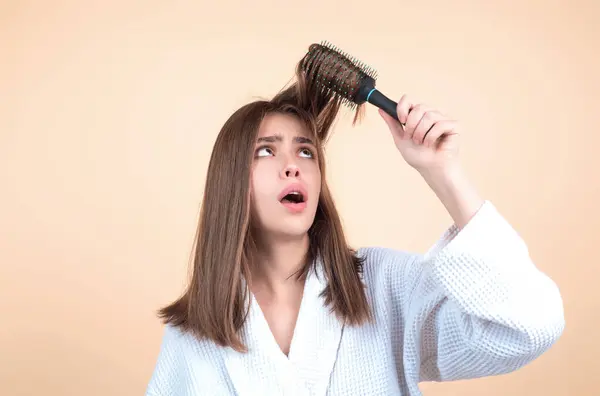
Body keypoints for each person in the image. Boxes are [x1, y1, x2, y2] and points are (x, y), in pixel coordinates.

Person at [144, 59, 565, 396]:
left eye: (306, 151)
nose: (293, 165)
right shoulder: (193, 333)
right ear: (230, 181)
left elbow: (529, 326)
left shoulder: (383, 287)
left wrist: (444, 174)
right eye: (266, 151)